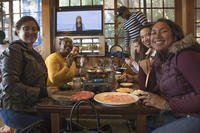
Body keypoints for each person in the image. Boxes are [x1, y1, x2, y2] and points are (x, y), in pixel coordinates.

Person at [137, 18, 200, 133]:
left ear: (175, 35)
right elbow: (146, 90)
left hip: (195, 116)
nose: (157, 36)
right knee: (144, 123)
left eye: (163, 31)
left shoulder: (185, 55)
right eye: (153, 33)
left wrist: (166, 104)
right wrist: (142, 67)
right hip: (177, 114)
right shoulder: (162, 58)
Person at [0, 16, 50, 133]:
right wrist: (44, 92)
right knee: (43, 127)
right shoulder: (13, 51)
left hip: (31, 106)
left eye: (34, 29)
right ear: (18, 31)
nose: (31, 32)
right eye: (26, 28)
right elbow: (10, 86)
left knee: (60, 120)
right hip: (14, 108)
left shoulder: (34, 54)